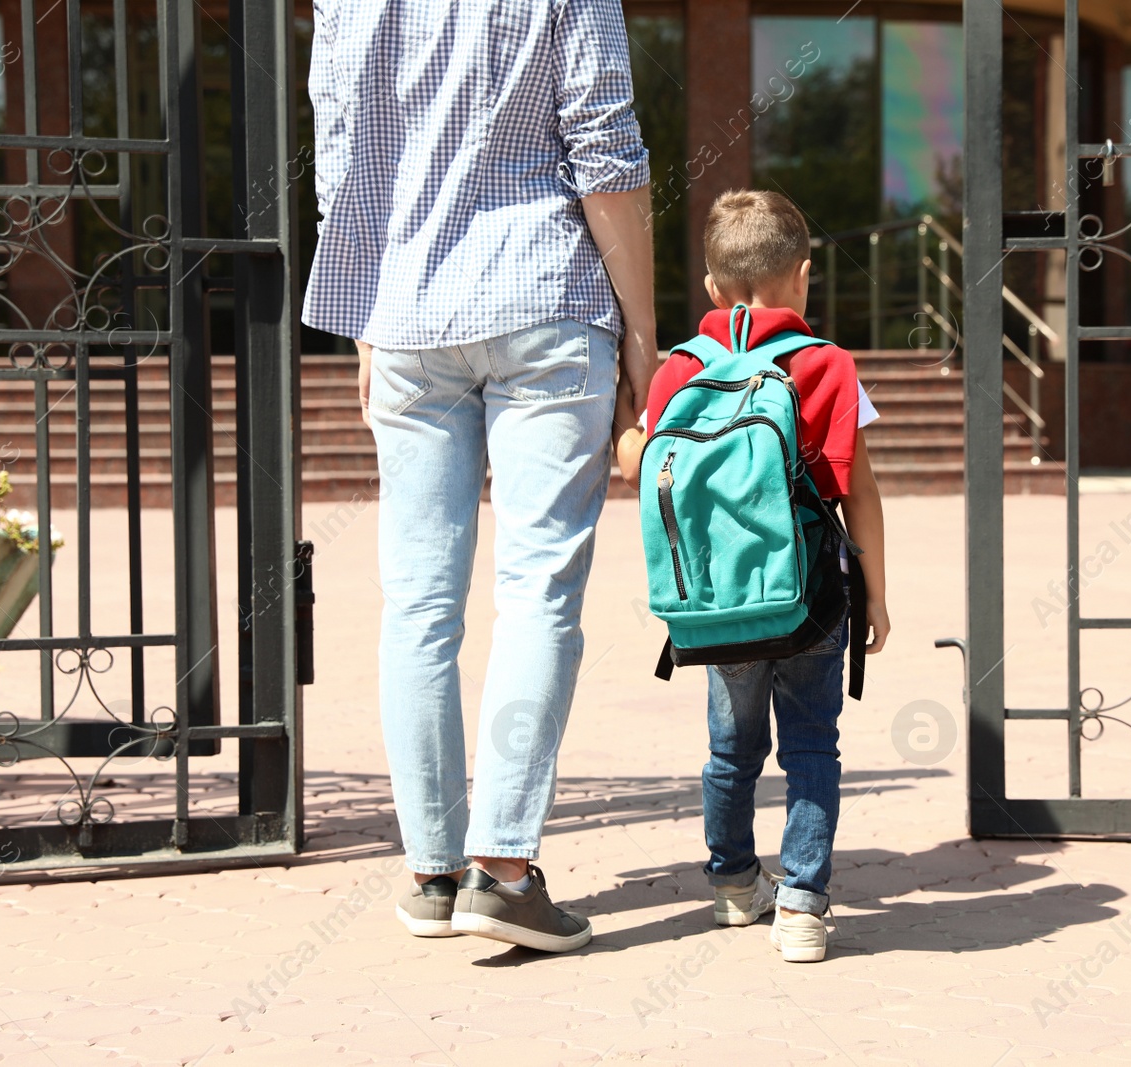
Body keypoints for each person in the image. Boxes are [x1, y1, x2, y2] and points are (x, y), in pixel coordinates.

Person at [304, 0, 655, 951]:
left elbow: (338, 152)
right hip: (544, 294)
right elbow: (607, 150)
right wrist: (644, 334)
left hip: (409, 308)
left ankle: (432, 871)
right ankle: (503, 870)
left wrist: (367, 312)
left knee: (416, 601)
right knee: (537, 587)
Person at [613, 190, 889, 962]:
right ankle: (802, 904)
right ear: (804, 277)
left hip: (712, 603)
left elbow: (637, 462)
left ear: (711, 289)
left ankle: (735, 883)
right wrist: (875, 589)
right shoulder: (827, 364)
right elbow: (857, 487)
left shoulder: (681, 369)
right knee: (811, 746)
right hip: (808, 599)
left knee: (731, 751)